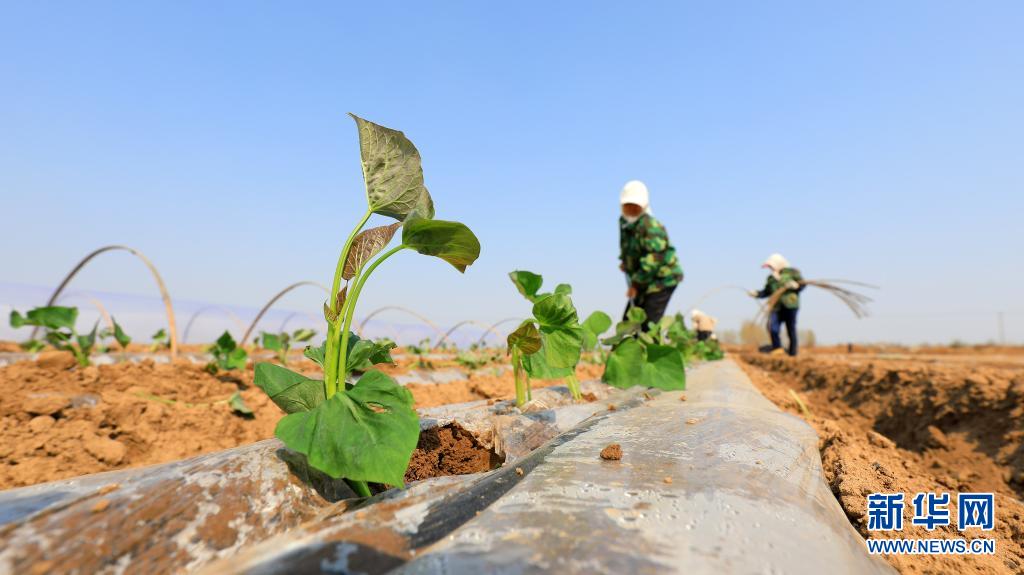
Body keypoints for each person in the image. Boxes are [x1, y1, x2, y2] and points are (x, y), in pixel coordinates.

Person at [618, 180, 683, 327]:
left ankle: (649, 348)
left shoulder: (650, 226)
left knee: (648, 324)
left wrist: (635, 284)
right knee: (629, 322)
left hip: (662, 279)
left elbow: (653, 259)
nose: (631, 210)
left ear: (644, 206)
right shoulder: (623, 223)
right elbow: (626, 247)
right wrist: (625, 262)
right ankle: (625, 349)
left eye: (635, 207)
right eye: (628, 206)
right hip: (642, 279)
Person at [749, 253, 804, 356]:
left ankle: (792, 353)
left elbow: (802, 285)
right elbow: (767, 292)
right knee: (772, 328)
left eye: (771, 266)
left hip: (790, 306)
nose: (770, 268)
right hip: (776, 306)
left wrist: (796, 286)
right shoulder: (771, 278)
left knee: (790, 329)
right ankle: (778, 349)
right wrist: (757, 294)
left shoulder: (793, 273)